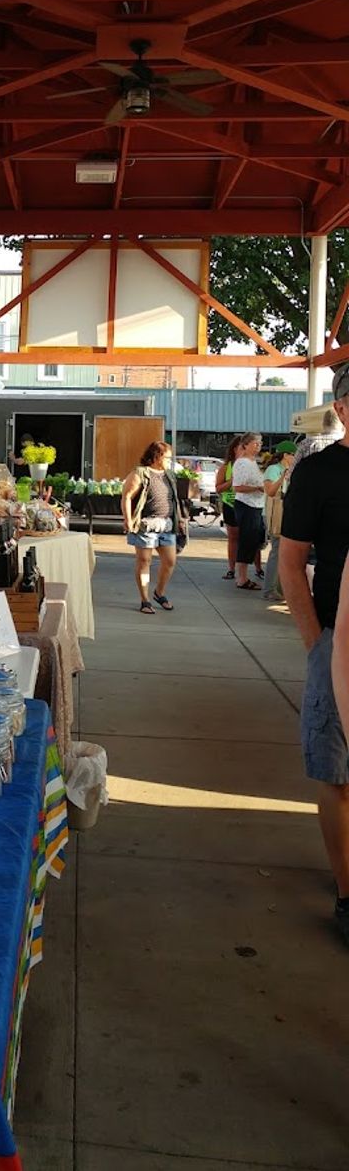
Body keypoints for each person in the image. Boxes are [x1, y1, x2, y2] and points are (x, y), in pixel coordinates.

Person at [279, 361, 349, 946]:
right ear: (344, 412)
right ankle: (347, 894)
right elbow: (290, 562)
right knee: (337, 770)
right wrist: (316, 643)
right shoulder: (318, 473)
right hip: (340, 642)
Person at [121, 440, 183, 615]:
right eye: (168, 457)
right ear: (157, 456)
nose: (170, 461)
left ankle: (159, 593)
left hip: (166, 524)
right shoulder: (140, 473)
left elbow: (173, 499)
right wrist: (128, 519)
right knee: (144, 561)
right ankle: (145, 599)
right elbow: (126, 496)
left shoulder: (169, 475)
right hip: (146, 524)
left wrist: (180, 518)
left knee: (170, 561)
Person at [231, 432, 266, 590]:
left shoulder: (252, 462)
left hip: (256, 505)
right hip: (247, 505)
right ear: (245, 445)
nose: (258, 446)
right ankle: (242, 578)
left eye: (260, 443)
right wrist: (257, 487)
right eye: (255, 443)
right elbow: (238, 487)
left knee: (253, 540)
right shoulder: (243, 462)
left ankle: (243, 575)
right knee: (246, 540)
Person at [262, 441, 296, 600]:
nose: (295, 457)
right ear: (285, 455)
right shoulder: (273, 470)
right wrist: (284, 476)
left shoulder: (293, 470)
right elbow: (270, 491)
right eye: (293, 454)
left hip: (288, 513)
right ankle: (269, 589)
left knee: (284, 552)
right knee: (277, 550)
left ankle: (280, 589)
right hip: (274, 514)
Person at [288, 406, 345, 479]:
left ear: (323, 424)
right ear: (343, 425)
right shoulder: (345, 445)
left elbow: (290, 474)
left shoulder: (306, 444)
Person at [215, 436, 241, 580]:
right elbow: (218, 488)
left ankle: (257, 568)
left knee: (252, 538)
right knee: (233, 538)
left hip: (248, 505)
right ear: (234, 449)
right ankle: (232, 569)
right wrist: (231, 482)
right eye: (240, 447)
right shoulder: (226, 467)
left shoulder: (251, 464)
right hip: (231, 504)